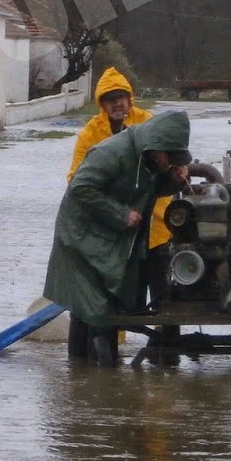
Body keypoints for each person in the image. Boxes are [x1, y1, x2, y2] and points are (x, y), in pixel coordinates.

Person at [45, 110, 192, 365]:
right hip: (81, 236)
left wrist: (174, 181)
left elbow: (151, 190)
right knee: (91, 306)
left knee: (105, 305)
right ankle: (88, 371)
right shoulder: (109, 153)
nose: (169, 163)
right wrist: (121, 214)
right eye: (169, 159)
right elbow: (80, 188)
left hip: (109, 237)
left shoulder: (147, 160)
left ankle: (89, 376)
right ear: (158, 150)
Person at [64, 68, 174, 358]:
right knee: (99, 298)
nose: (117, 104)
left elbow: (168, 165)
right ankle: (91, 357)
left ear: (129, 98)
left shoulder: (148, 124)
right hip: (108, 234)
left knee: (164, 294)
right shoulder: (91, 133)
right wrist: (113, 212)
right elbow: (77, 181)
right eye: (110, 99)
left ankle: (167, 351)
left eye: (121, 98)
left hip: (153, 227)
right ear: (102, 103)